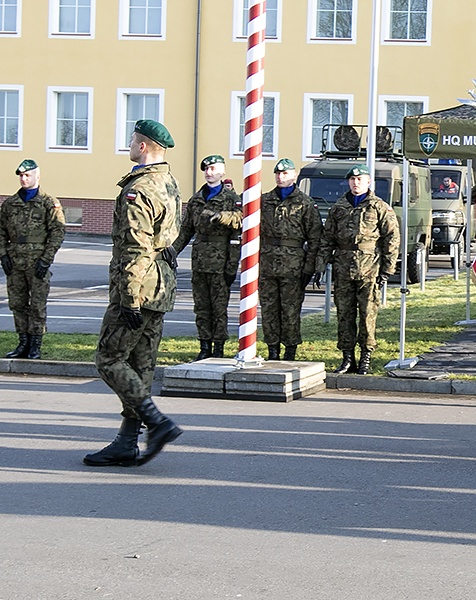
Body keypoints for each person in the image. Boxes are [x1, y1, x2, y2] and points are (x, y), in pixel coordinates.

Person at [84, 119, 183, 468]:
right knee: (141, 366)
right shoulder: (169, 183)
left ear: (142, 147)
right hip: (161, 285)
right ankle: (126, 442)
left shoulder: (138, 190)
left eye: (132, 140)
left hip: (139, 285)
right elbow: (170, 238)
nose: (129, 144)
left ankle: (157, 422)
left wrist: (128, 297)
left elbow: (134, 248)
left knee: (108, 359)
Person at [319, 164, 399, 375]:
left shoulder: (379, 207)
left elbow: (391, 238)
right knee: (344, 315)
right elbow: (327, 238)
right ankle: (347, 357)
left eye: (360, 179)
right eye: (353, 179)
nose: (356, 183)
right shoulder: (339, 208)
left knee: (367, 315)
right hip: (343, 267)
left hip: (369, 268)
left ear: (368, 182)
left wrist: (387, 270)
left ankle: (365, 356)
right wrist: (321, 264)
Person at [173, 154, 243, 361]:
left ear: (222, 172)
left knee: (219, 308)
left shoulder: (231, 199)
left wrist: (232, 266)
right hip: (200, 261)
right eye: (206, 169)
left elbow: (238, 230)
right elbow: (186, 230)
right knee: (201, 307)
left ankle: (219, 348)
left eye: (213, 169)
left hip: (221, 263)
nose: (209, 173)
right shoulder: (196, 199)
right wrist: (172, 251)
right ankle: (204, 347)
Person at [0, 160, 66, 360]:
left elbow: (58, 231)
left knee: (37, 304)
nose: (23, 178)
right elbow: (1, 231)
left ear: (37, 176)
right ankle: (23, 342)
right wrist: (3, 255)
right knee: (17, 303)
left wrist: (46, 259)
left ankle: (35, 344)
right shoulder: (10, 204)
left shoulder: (48, 202)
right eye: (20, 175)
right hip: (15, 261)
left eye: (27, 175)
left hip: (38, 262)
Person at [259, 158, 323, 361]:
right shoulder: (264, 200)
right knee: (269, 309)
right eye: (278, 173)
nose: (280, 177)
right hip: (268, 264)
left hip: (294, 266)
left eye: (285, 173)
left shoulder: (304, 203)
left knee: (290, 311)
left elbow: (315, 238)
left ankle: (290, 349)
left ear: (294, 175)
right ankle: (272, 349)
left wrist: (310, 268)